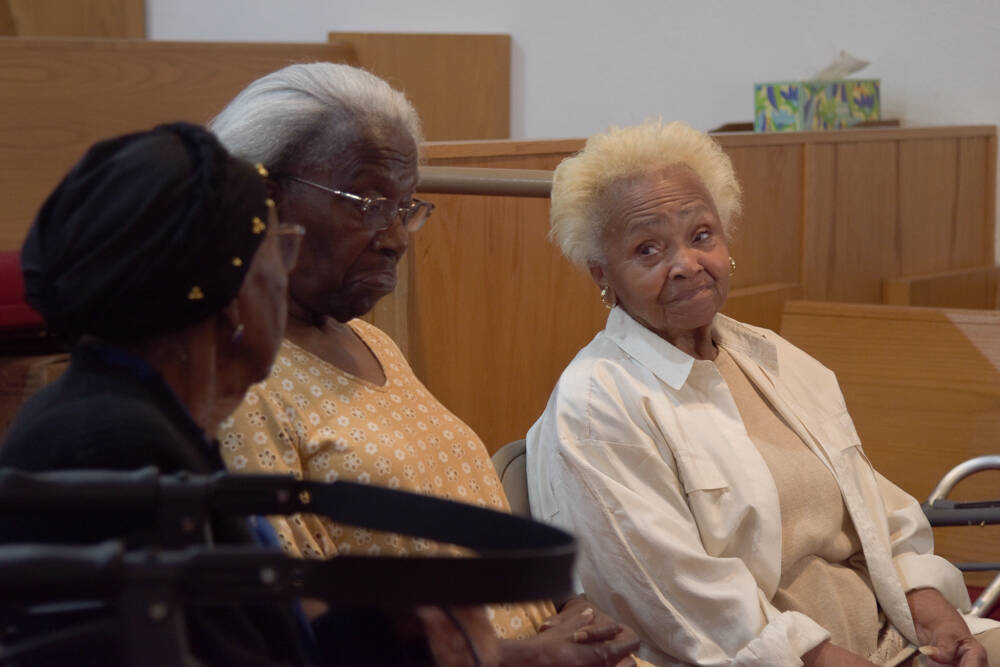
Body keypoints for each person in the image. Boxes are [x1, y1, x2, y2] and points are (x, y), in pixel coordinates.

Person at [209, 62, 643, 667]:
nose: (396, 237)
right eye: (367, 202)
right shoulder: (240, 383)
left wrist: (560, 612)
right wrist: (531, 653)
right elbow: (299, 634)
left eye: (405, 206)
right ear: (267, 196)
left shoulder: (373, 343)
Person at [525, 118, 1000, 666]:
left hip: (892, 640)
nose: (686, 265)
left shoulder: (771, 357)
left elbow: (877, 514)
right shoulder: (597, 404)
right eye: (648, 250)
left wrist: (935, 613)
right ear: (602, 274)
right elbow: (685, 606)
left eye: (701, 236)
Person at [0, 122, 310, 664]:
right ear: (232, 298)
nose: (286, 279)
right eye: (278, 251)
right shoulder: (114, 446)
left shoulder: (124, 415)